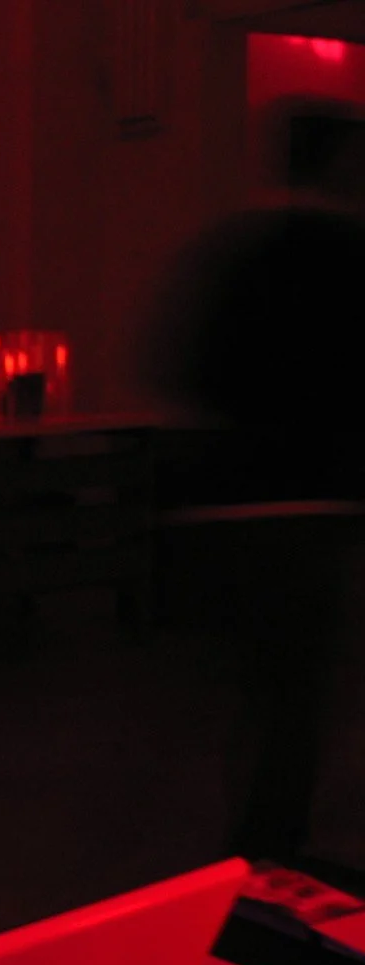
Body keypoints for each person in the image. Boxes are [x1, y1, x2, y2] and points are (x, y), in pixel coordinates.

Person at [142, 99, 365, 864]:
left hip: (230, 500)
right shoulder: (348, 254)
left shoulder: (233, 250)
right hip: (313, 500)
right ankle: (274, 848)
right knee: (297, 689)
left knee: (257, 687)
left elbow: (179, 367)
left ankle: (250, 844)